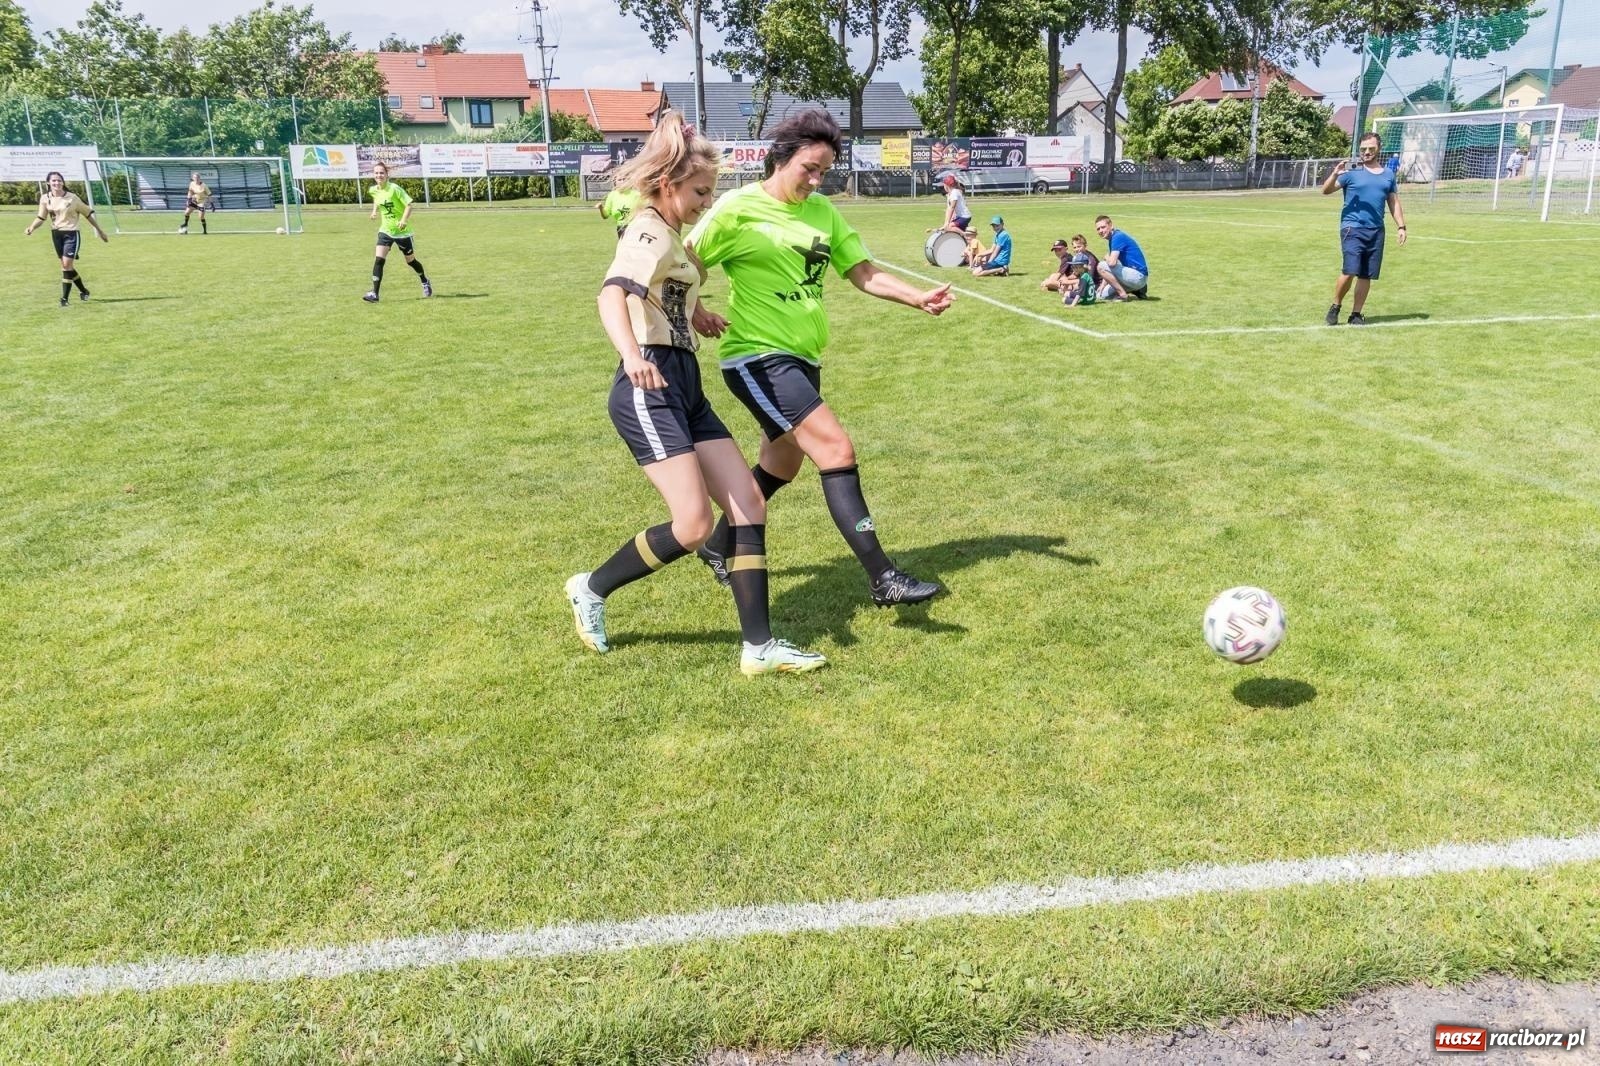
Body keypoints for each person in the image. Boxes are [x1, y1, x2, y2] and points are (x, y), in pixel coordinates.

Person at [564, 112, 825, 676]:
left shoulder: (671, 236)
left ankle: (758, 647)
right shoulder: (647, 230)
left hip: (685, 382)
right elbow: (613, 295)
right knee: (693, 526)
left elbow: (669, 285)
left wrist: (698, 312)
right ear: (668, 185)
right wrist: (634, 357)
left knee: (748, 502)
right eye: (701, 191)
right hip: (648, 384)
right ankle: (590, 588)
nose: (708, 201)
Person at [686, 108, 953, 608]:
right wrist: (696, 307)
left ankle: (719, 546)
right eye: (808, 168)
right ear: (781, 158)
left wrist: (917, 297)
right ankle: (883, 577)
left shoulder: (823, 213)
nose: (815, 180)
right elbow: (683, 262)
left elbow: (863, 271)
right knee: (836, 450)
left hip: (803, 358)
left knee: (782, 463)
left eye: (824, 171)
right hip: (757, 358)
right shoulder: (738, 207)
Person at [1321, 130, 1406, 326]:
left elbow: (1393, 202)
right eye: (1363, 149)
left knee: (1366, 274)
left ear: (1379, 149)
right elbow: (1325, 191)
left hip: (1376, 230)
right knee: (1350, 269)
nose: (1366, 152)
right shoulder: (1352, 170)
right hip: (1352, 228)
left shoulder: (1388, 175)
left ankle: (1356, 314)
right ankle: (1336, 306)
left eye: (1371, 149)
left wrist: (1401, 226)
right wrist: (1335, 174)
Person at [23, 170, 109, 307]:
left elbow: (87, 214)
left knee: (66, 266)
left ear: (63, 182)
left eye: (59, 180)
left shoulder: (72, 198)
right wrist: (31, 227)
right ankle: (84, 291)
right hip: (56, 235)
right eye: (54, 181)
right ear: (48, 183)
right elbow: (41, 217)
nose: (57, 183)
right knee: (67, 266)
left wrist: (100, 231)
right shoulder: (45, 198)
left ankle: (64, 299)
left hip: (71, 234)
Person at [363, 161, 433, 302]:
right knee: (379, 260)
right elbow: (377, 199)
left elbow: (408, 205)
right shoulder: (373, 189)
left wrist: (403, 220)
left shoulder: (394, 189)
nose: (379, 175)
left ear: (387, 174)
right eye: (376, 173)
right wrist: (374, 211)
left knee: (411, 261)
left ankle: (424, 280)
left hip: (402, 232)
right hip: (385, 231)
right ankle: (375, 294)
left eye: (381, 173)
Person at [1093, 215, 1148, 299]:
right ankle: (1136, 290)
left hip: (1138, 276)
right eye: (1098, 229)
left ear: (1111, 225)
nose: (1101, 231)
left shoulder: (1118, 237)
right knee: (1101, 295)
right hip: (1131, 277)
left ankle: (1123, 294)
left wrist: (1107, 257)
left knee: (1101, 266)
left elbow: (1111, 263)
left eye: (1103, 227)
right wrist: (1102, 285)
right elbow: (1110, 269)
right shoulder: (1112, 239)